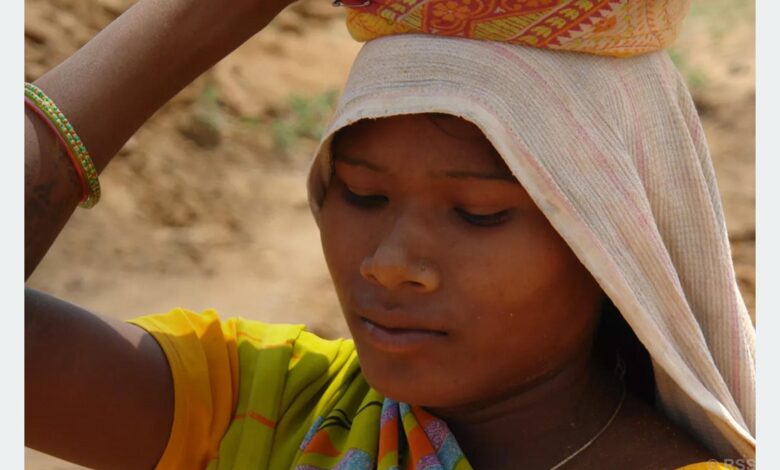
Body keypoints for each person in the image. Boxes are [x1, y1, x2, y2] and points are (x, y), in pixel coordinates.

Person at [25, 0, 755, 468]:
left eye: (477, 213)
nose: (390, 262)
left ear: (613, 246)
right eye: (362, 194)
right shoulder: (267, 407)